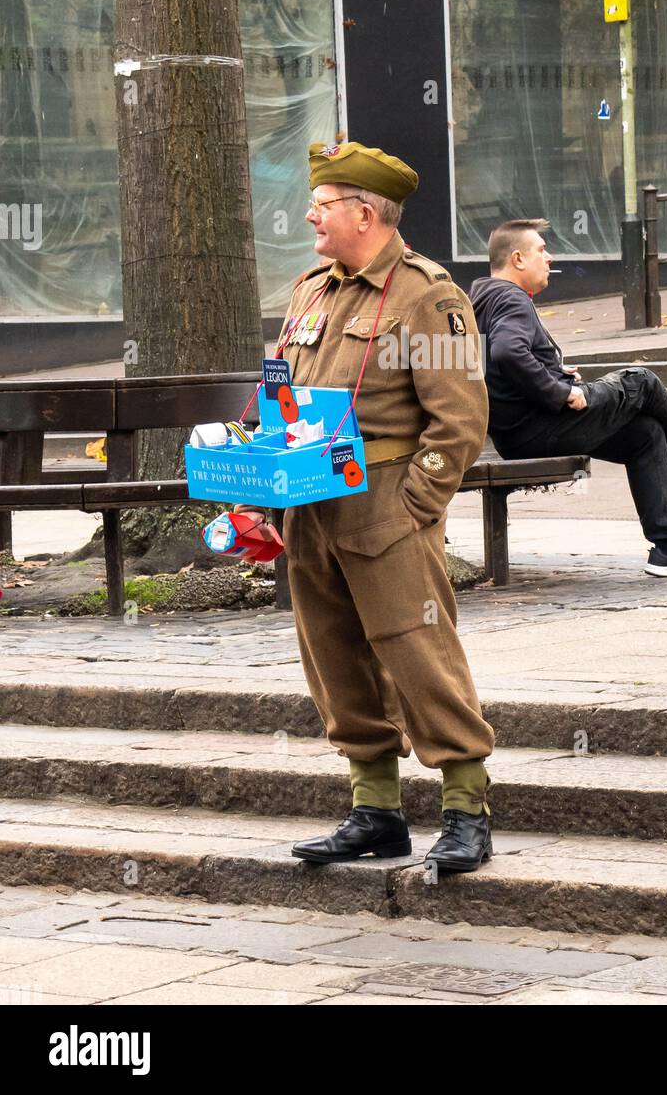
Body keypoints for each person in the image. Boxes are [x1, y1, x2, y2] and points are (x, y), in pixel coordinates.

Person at [238, 141, 494, 873]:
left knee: (419, 655)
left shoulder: (430, 295)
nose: (311, 217)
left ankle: (467, 809)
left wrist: (417, 504)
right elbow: (282, 391)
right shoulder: (311, 289)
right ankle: (375, 809)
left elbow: (461, 417)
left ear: (363, 212)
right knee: (333, 657)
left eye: (322, 206)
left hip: (384, 504)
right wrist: (260, 483)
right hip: (310, 505)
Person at [469, 219, 667, 577]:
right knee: (641, 381)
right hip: (538, 427)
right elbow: (507, 354)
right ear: (517, 259)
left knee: (644, 434)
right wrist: (561, 391)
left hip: (518, 432)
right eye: (542, 251)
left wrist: (554, 375)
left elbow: (498, 368)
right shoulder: (510, 297)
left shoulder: (481, 300)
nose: (550, 258)